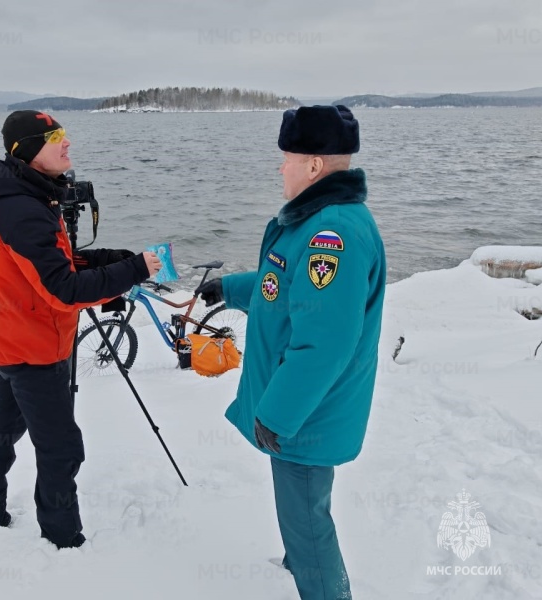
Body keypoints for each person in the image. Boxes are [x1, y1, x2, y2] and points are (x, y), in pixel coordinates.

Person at [197, 105, 386, 598]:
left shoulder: (333, 234)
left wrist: (278, 414)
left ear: (315, 165)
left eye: (287, 157)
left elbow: (324, 343)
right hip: (304, 408)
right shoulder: (313, 221)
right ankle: (295, 561)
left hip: (308, 415)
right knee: (301, 507)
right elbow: (284, 284)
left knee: (307, 520)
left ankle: (320, 583)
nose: (280, 167)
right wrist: (231, 289)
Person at [0, 110, 162, 550]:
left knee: (0, 431)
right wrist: (132, 270)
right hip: (34, 350)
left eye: (65, 133)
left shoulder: (21, 196)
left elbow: (46, 268)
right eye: (55, 137)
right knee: (61, 449)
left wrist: (110, 260)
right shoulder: (25, 209)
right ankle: (63, 541)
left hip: (4, 340)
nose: (67, 143)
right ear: (30, 150)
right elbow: (63, 289)